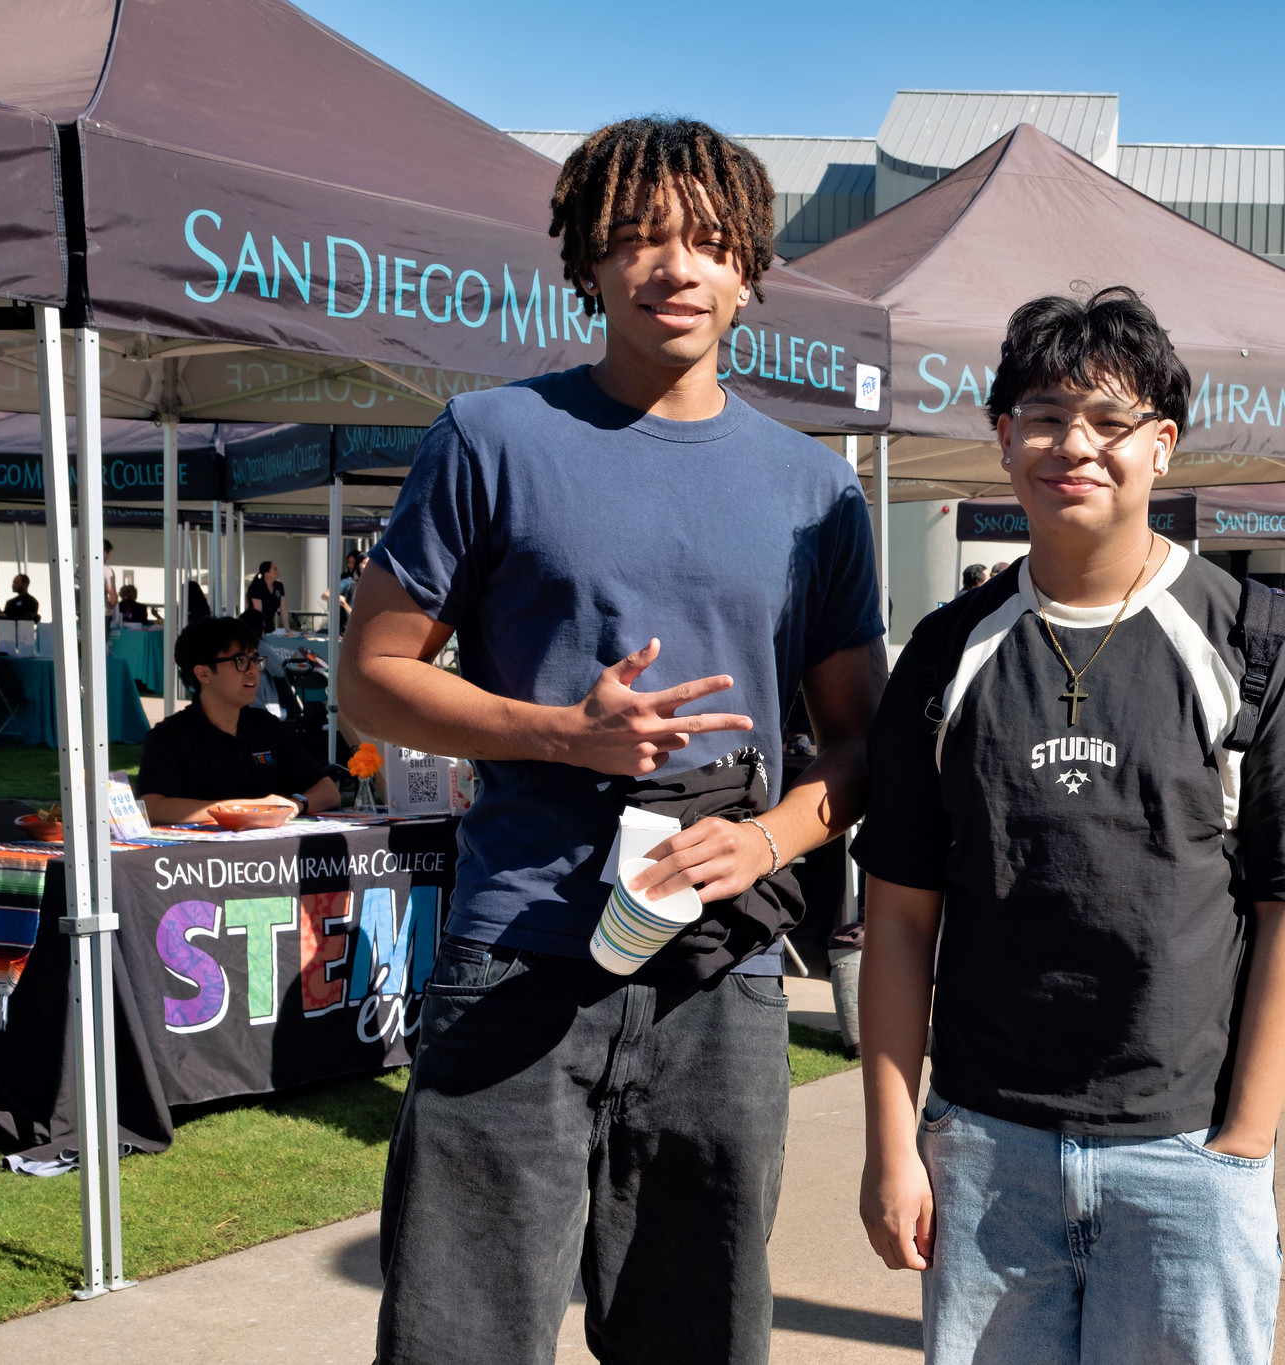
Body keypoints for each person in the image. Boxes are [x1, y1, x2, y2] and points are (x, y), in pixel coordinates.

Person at [339, 117, 884, 1365]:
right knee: (457, 1336)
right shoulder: (489, 437)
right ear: (585, 263)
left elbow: (859, 748)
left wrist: (765, 840)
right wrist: (561, 735)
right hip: (515, 948)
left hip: (720, 978)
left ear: (749, 269)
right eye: (635, 238)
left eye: (704, 241)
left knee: (696, 1337)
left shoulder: (815, 491)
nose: (671, 267)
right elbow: (370, 683)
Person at [855, 286, 1285, 1365]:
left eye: (1108, 421)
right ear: (1002, 439)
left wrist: (1243, 1145)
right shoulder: (946, 656)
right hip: (987, 1149)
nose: (1071, 445)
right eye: (1043, 416)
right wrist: (893, 1144)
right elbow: (898, 918)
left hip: (1185, 1151)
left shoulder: (1254, 643)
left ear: (1160, 446)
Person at [134, 616, 340, 826]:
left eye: (255, 660)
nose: (252, 671)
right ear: (203, 673)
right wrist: (248, 810)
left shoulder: (267, 726)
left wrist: (294, 805)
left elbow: (328, 791)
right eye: (240, 661)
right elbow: (151, 806)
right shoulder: (169, 737)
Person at [246, 560, 285, 630]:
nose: (277, 571)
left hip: (269, 624)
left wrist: (287, 628)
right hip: (255, 626)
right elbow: (258, 612)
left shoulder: (278, 586)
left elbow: (283, 608)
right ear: (267, 573)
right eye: (275, 569)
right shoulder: (256, 587)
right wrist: (261, 631)